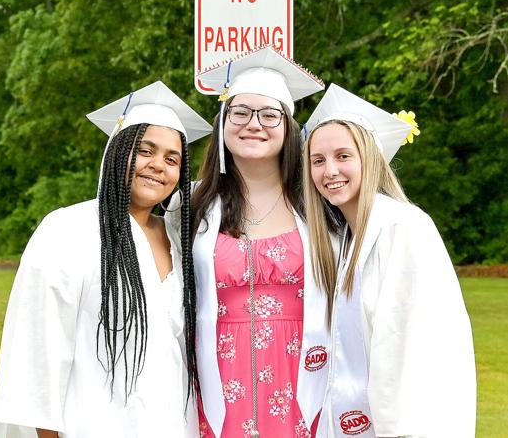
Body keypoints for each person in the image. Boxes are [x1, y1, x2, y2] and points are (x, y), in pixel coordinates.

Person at [0, 81, 212, 438]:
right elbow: (38, 352)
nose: (158, 166)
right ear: (117, 152)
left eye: (172, 159)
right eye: (145, 151)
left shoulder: (179, 240)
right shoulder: (68, 230)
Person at [302, 83, 476, 438]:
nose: (329, 170)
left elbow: (414, 345)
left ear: (370, 158)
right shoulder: (348, 237)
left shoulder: (403, 227)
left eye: (343, 156)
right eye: (318, 161)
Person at [183, 45, 330, 438]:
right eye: (240, 112)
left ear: (288, 128)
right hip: (219, 376)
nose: (254, 124)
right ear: (222, 122)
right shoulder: (191, 204)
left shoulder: (319, 204)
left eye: (269, 114)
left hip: (303, 372)